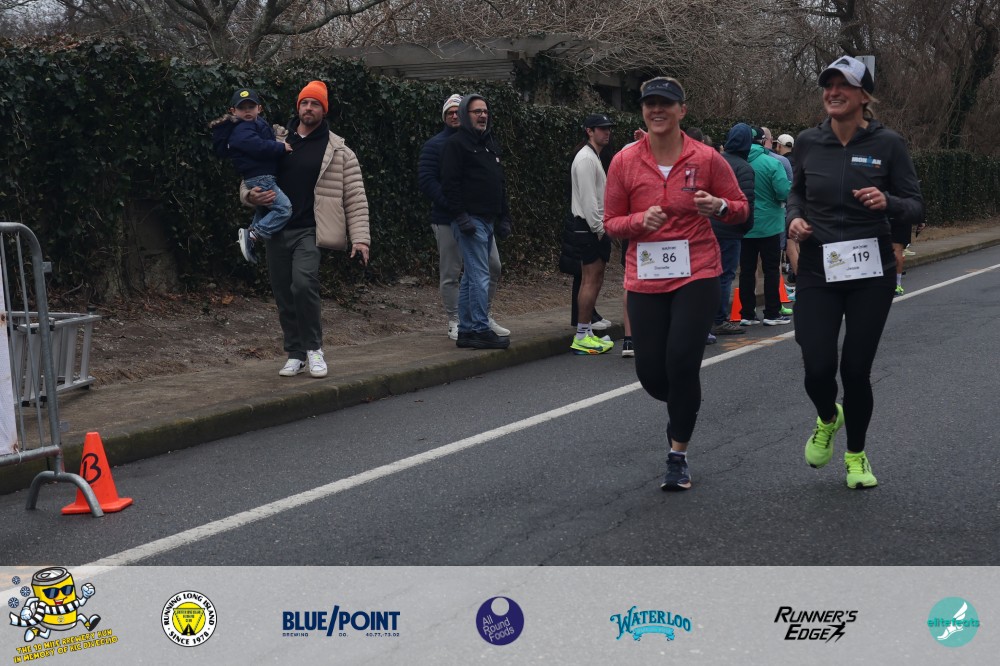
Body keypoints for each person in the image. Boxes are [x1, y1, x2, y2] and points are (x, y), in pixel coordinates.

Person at [604, 76, 749, 491]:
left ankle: (678, 455)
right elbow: (610, 222)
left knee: (683, 361)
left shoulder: (706, 158)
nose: (657, 110)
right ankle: (685, 403)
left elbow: (741, 209)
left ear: (682, 110)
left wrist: (718, 205)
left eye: (665, 103)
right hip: (646, 277)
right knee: (653, 374)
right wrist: (639, 221)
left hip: (697, 273)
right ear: (642, 111)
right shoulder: (624, 161)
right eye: (650, 103)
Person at [787, 55, 923, 488]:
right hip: (818, 268)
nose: (833, 92)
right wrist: (794, 219)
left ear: (864, 96)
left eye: (843, 85)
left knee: (855, 370)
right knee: (817, 366)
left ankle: (856, 456)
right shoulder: (809, 141)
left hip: (870, 272)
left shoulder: (889, 144)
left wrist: (889, 203)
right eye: (828, 85)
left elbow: (915, 205)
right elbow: (795, 193)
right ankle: (829, 417)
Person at [242, 80, 371, 378]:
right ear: (298, 107)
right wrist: (250, 196)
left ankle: (314, 349)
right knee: (283, 293)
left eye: (315, 104)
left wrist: (361, 238)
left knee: (303, 284)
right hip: (274, 230)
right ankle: (295, 353)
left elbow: (355, 196)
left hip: (310, 231)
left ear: (324, 110)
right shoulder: (274, 139)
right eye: (304, 103)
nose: (308, 108)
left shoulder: (339, 151)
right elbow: (250, 176)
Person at [418, 93, 507, 341]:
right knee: (453, 271)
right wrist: (456, 207)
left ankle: (480, 315)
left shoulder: (482, 142)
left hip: (476, 217)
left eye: (458, 111)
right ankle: (457, 320)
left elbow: (495, 180)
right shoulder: (437, 145)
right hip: (448, 219)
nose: (455, 116)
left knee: (490, 267)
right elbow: (429, 181)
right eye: (450, 113)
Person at [440, 94, 513, 350]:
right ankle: (481, 329)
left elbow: (499, 182)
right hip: (471, 220)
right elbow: (449, 184)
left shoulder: (490, 144)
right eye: (476, 112)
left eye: (485, 111)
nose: (482, 115)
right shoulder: (455, 145)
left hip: (488, 219)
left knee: (472, 278)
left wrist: (504, 216)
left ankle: (467, 330)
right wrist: (461, 216)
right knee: (481, 275)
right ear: (465, 115)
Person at [211, 88, 293, 264]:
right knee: (284, 209)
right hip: (260, 177)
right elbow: (257, 146)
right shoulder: (242, 128)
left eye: (251, 107)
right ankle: (254, 234)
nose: (247, 111)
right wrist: (280, 147)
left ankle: (249, 239)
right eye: (242, 108)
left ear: (259, 108)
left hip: (262, 175)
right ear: (233, 111)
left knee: (263, 210)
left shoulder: (255, 124)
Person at [566, 113, 616, 354]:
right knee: (589, 280)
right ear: (589, 131)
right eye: (601, 128)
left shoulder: (593, 156)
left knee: (594, 280)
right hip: (589, 227)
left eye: (608, 128)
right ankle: (581, 336)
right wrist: (599, 229)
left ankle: (586, 333)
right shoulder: (586, 158)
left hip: (593, 227)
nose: (607, 132)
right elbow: (589, 200)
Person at [739, 126, 791, 326]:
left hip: (744, 224)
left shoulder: (737, 163)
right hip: (770, 224)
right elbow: (783, 192)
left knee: (746, 270)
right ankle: (772, 312)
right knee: (771, 269)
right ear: (763, 142)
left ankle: (747, 314)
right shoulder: (772, 163)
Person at [710, 123, 756, 337]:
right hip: (730, 228)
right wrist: (746, 226)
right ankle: (719, 319)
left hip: (708, 226)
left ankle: (706, 318)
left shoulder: (715, 161)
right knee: (725, 275)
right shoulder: (744, 168)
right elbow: (747, 202)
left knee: (708, 274)